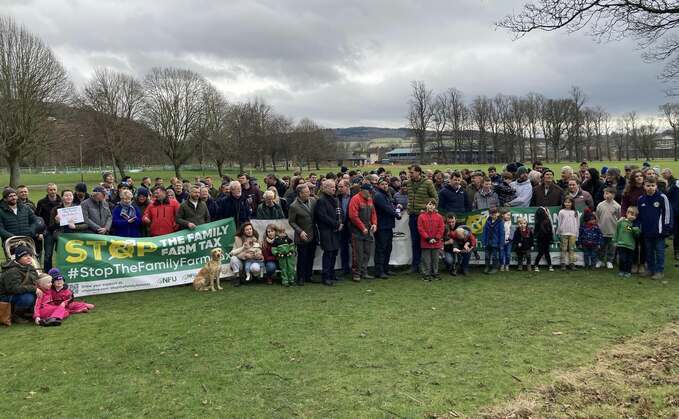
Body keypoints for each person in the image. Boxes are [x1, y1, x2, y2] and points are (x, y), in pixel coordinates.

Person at [637, 177, 673, 280]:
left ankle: (659, 271)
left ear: (656, 186)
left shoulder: (662, 197)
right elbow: (639, 216)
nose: (650, 188)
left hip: (659, 231)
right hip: (646, 231)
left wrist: (666, 229)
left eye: (653, 185)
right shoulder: (641, 199)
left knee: (659, 251)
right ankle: (650, 269)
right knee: (649, 251)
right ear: (644, 186)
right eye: (648, 185)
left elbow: (667, 214)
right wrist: (638, 227)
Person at [406, 165, 438, 273]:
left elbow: (435, 198)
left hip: (424, 216)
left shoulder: (428, 183)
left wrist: (427, 209)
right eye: (409, 172)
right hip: (413, 216)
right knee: (414, 241)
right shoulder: (408, 183)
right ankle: (415, 265)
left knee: (425, 240)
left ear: (419, 172)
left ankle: (426, 266)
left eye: (412, 172)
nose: (410, 174)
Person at [313, 180, 342, 286]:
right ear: (325, 188)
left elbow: (339, 213)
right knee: (328, 253)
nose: (334, 189)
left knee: (334, 253)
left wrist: (340, 223)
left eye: (334, 187)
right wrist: (336, 224)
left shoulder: (334, 199)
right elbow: (322, 216)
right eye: (331, 187)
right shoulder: (321, 200)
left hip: (335, 230)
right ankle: (326, 276)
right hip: (326, 231)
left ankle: (332, 273)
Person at [0, 245, 39, 322]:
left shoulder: (29, 267)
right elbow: (14, 289)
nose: (29, 257)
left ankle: (31, 313)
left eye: (30, 255)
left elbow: (35, 280)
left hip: (18, 293)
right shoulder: (12, 271)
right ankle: (16, 316)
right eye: (25, 256)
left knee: (41, 293)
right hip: (5, 296)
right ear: (18, 258)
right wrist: (34, 289)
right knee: (27, 298)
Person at [288, 184, 316, 286]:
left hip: (313, 233)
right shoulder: (294, 206)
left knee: (311, 256)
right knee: (302, 257)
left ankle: (308, 276)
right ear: (300, 193)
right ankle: (300, 277)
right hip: (302, 236)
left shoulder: (313, 201)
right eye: (307, 192)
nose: (309, 193)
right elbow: (291, 221)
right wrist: (300, 231)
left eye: (309, 191)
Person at [348, 184, 378, 282]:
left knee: (367, 252)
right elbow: (353, 216)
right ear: (363, 191)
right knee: (358, 253)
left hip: (367, 230)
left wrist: (374, 224)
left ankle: (364, 271)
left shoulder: (369, 199)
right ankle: (356, 273)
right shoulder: (355, 199)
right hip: (357, 231)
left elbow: (373, 213)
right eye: (369, 191)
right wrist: (362, 227)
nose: (370, 193)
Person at [0, 188, 42, 254]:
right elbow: (0, 229)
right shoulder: (1, 211)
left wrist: (31, 231)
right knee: (14, 263)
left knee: (29, 262)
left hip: (27, 241)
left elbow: (34, 221)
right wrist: (12, 237)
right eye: (10, 196)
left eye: (14, 195)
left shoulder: (25, 208)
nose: (13, 198)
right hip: (11, 243)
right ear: (5, 199)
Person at [373, 178, 399, 278]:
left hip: (387, 225)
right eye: (382, 184)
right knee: (381, 249)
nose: (385, 186)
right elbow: (386, 208)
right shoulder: (378, 195)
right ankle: (379, 271)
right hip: (381, 226)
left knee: (388, 248)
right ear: (378, 185)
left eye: (386, 184)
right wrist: (396, 214)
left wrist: (397, 207)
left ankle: (385, 268)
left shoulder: (386, 194)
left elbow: (391, 205)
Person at [35, 183, 61, 271]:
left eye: (54, 189)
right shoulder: (41, 202)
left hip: (59, 231)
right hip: (48, 231)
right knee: (48, 254)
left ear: (57, 190)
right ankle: (47, 272)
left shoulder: (61, 201)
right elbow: (37, 217)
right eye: (50, 190)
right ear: (47, 191)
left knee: (61, 253)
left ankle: (61, 271)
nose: (53, 191)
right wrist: (41, 230)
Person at [417, 199, 445, 281]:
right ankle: (426, 274)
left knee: (435, 259)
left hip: (436, 242)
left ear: (435, 206)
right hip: (426, 242)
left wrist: (436, 238)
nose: (431, 206)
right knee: (426, 259)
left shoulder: (439, 217)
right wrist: (428, 238)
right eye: (429, 204)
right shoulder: (421, 216)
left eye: (433, 204)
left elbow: (441, 228)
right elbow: (420, 229)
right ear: (426, 205)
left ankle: (435, 273)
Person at [595, 187, 621, 269]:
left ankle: (609, 261)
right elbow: (597, 216)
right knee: (601, 246)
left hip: (613, 230)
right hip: (602, 230)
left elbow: (619, 217)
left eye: (607, 193)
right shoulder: (600, 205)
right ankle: (600, 260)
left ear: (613, 195)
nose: (605, 195)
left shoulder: (617, 206)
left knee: (612, 247)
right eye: (605, 193)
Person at [614, 207, 640, 278]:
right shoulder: (621, 222)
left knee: (629, 259)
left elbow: (637, 234)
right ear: (626, 213)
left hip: (630, 245)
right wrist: (615, 240)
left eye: (634, 215)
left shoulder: (635, 224)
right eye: (630, 213)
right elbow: (617, 231)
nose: (631, 216)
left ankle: (628, 271)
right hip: (621, 244)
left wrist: (635, 229)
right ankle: (621, 270)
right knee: (622, 258)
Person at [557, 197, 579, 271]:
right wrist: (559, 231)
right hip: (564, 233)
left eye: (569, 202)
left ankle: (571, 263)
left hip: (573, 233)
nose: (567, 204)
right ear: (563, 203)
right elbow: (559, 223)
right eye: (566, 202)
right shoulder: (561, 212)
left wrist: (577, 233)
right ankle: (563, 263)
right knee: (563, 249)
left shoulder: (575, 212)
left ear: (572, 203)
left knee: (571, 249)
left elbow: (577, 223)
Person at [336, 179, 352, 277]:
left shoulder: (354, 196)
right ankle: (344, 268)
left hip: (353, 226)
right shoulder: (337, 198)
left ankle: (355, 268)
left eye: (341, 187)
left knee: (355, 248)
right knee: (343, 248)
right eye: (339, 187)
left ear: (347, 187)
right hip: (342, 226)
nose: (339, 189)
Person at [481, 208, 503, 275]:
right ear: (490, 214)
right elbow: (484, 232)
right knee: (487, 255)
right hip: (488, 242)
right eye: (492, 214)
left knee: (494, 256)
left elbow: (502, 234)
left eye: (495, 214)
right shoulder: (487, 221)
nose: (493, 215)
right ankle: (487, 266)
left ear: (498, 213)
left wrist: (501, 244)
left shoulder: (500, 222)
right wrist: (483, 241)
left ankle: (494, 267)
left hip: (495, 243)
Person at [533, 207, 555, 272]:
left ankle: (549, 265)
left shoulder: (547, 221)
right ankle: (537, 265)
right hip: (541, 240)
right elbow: (536, 232)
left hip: (546, 240)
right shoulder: (538, 222)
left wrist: (550, 239)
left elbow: (550, 230)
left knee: (546, 253)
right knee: (542, 253)